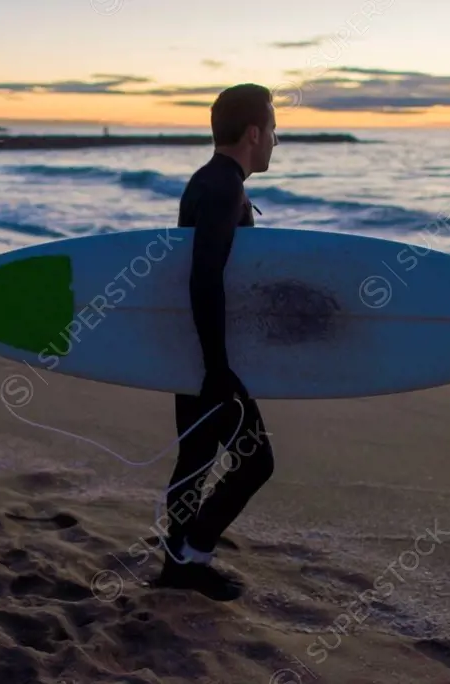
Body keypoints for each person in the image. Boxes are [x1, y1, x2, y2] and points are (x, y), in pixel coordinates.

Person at [152, 83, 279, 601]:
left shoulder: (207, 180)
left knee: (197, 456)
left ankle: (177, 565)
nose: (275, 140)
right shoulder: (226, 187)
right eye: (273, 129)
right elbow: (205, 277)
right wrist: (219, 369)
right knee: (255, 462)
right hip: (210, 356)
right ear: (253, 132)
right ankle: (192, 553)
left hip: (194, 348)